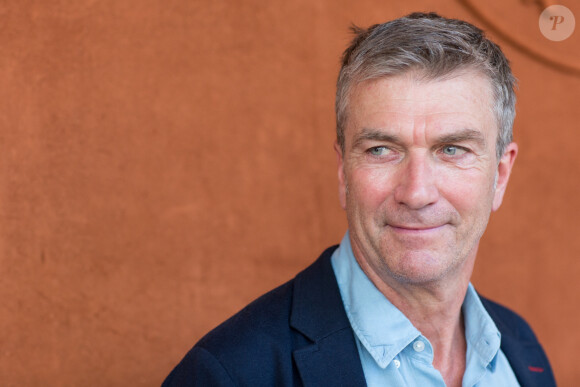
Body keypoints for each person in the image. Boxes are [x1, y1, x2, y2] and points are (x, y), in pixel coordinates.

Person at [163, 12, 555, 387]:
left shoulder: (520, 350)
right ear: (342, 171)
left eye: (452, 150)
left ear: (500, 176)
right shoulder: (230, 373)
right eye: (382, 150)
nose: (416, 193)